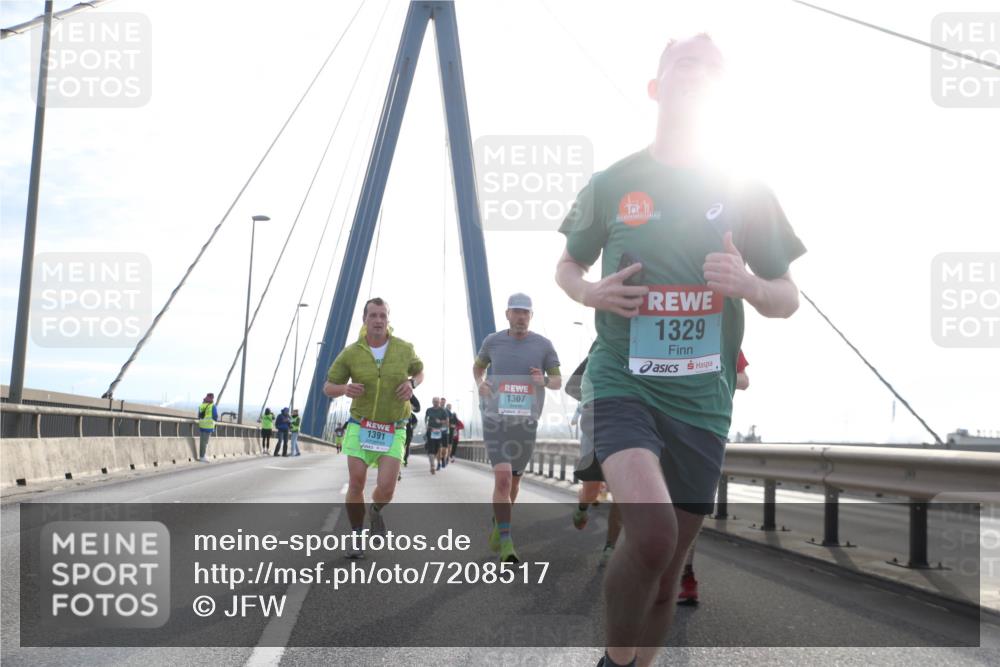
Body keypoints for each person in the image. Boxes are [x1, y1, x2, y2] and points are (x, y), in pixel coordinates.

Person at [555, 34, 806, 667]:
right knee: (653, 531)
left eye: (712, 68)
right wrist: (590, 292)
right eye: (684, 63)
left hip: (703, 400)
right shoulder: (614, 182)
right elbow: (566, 264)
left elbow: (788, 297)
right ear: (655, 88)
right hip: (623, 382)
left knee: (669, 574)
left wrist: (747, 283)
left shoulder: (746, 189)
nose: (698, 73)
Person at [323, 297, 423, 558]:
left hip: (393, 427)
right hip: (360, 424)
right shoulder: (351, 353)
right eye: (373, 316)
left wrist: (412, 383)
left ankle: (376, 510)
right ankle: (357, 536)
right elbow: (328, 387)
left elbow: (420, 371)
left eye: (382, 316)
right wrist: (345, 388)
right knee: (356, 482)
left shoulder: (404, 348)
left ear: (388, 320)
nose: (378, 320)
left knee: (387, 487)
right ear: (364, 320)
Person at [473, 292, 561, 563]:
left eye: (526, 312)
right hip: (495, 419)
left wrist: (543, 380)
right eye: (516, 311)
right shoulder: (492, 341)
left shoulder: (544, 345)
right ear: (507, 314)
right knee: (503, 479)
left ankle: (500, 525)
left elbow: (558, 381)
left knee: (514, 481)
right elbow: (478, 369)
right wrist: (481, 384)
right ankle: (508, 541)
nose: (521, 316)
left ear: (531, 316)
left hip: (525, 422)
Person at [678, 349, 750, 605]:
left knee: (688, 508)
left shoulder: (719, 332)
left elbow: (743, 379)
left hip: (703, 425)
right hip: (653, 421)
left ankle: (685, 575)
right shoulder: (655, 323)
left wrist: (708, 370)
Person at [424, 397, 449, 473]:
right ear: (432, 402)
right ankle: (432, 465)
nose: (436, 403)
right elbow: (426, 418)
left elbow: (447, 421)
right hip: (431, 430)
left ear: (439, 402)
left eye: (437, 401)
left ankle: (433, 461)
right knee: (431, 448)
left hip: (438, 432)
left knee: (437, 449)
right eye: (434, 401)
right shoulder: (429, 410)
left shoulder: (443, 411)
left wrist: (440, 421)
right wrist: (426, 425)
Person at [196, 393, 218, 462]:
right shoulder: (212, 406)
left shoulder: (202, 405)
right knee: (205, 442)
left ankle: (202, 455)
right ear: (211, 398)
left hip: (202, 425)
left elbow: (199, 416)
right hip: (208, 426)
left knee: (202, 442)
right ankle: (202, 457)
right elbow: (215, 416)